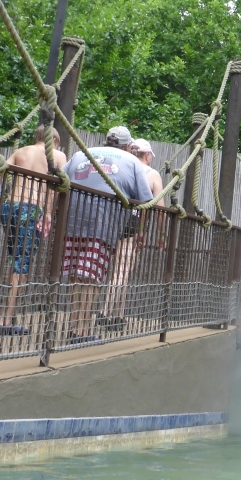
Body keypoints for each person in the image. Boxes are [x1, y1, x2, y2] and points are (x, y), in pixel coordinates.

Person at [0, 125, 66, 336]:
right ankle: (5, 320)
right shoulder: (57, 155)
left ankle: (8, 315)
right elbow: (57, 187)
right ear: (54, 141)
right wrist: (49, 213)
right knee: (21, 265)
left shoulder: (21, 151)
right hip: (32, 211)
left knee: (15, 260)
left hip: (10, 207)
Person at [62, 140, 154, 344]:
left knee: (76, 275)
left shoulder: (79, 154)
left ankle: (73, 325)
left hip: (72, 223)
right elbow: (147, 201)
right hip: (103, 224)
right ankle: (81, 331)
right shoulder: (131, 161)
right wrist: (141, 231)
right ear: (127, 147)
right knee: (91, 277)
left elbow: (57, 179)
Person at [99, 139, 166, 331]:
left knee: (119, 271)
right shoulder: (152, 174)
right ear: (147, 155)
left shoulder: (122, 167)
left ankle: (119, 315)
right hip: (131, 223)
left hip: (111, 218)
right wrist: (162, 234)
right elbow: (159, 208)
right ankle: (105, 312)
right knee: (122, 271)